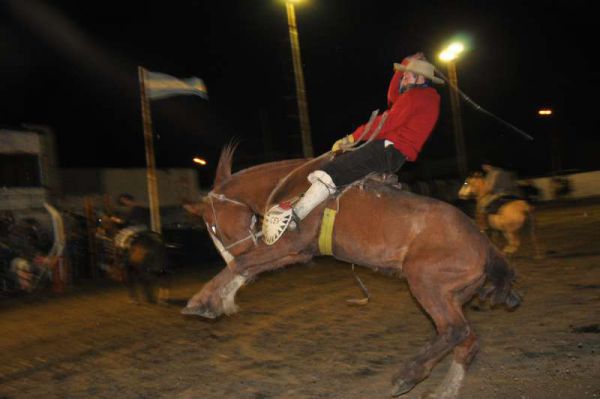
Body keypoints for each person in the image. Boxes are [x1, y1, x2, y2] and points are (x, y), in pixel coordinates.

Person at [264, 53, 443, 244]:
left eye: (407, 75)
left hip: (385, 150)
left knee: (332, 171)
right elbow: (393, 97)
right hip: (392, 153)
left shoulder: (415, 96)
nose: (403, 78)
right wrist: (404, 66)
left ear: (420, 78)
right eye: (404, 75)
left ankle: (296, 217)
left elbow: (384, 123)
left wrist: (351, 138)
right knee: (341, 172)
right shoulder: (422, 97)